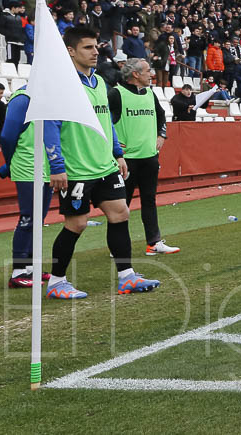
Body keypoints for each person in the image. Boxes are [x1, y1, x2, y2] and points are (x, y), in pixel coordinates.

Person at [45, 26, 160, 299]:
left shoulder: (99, 83)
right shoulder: (62, 84)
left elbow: (105, 120)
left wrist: (117, 153)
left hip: (104, 165)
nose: (95, 51)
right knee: (77, 224)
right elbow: (50, 124)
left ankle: (127, 277)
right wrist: (57, 167)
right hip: (77, 169)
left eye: (96, 46)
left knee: (120, 213)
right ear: (71, 51)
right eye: (87, 47)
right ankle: (56, 282)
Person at [108, 57, 179, 255]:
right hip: (126, 160)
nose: (152, 74)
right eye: (148, 71)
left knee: (149, 200)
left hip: (149, 157)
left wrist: (161, 135)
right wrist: (113, 146)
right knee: (122, 205)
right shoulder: (116, 94)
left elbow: (161, 115)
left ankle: (153, 243)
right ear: (135, 74)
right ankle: (117, 246)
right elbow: (103, 121)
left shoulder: (150, 93)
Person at [0, 84, 59, 287]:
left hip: (45, 167)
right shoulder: (23, 98)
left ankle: (31, 267)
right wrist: (10, 163)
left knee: (38, 218)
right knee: (28, 216)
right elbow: (7, 137)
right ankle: (18, 271)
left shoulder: (48, 96)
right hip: (27, 166)